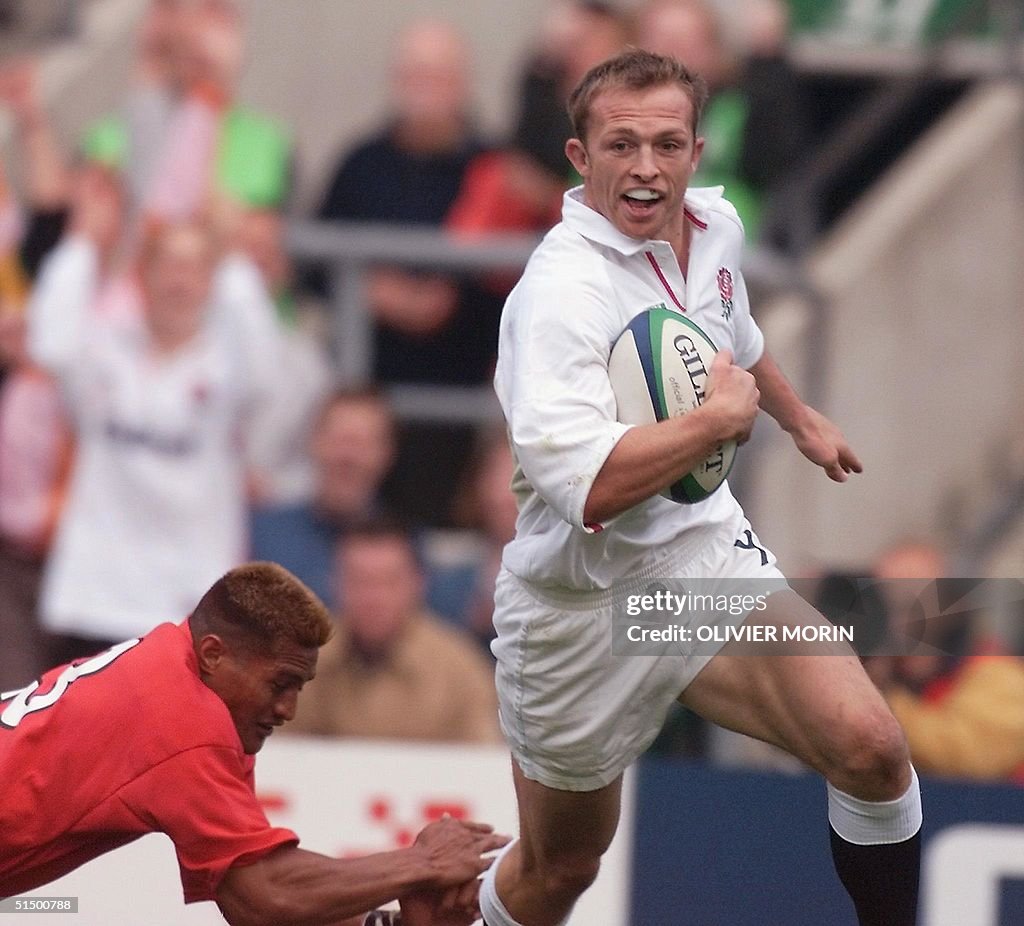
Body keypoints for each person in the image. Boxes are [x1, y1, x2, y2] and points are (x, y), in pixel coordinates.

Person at [479, 51, 921, 926]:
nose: (646, 167)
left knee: (871, 749)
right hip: (578, 608)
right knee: (559, 870)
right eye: (622, 145)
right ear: (580, 157)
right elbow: (593, 491)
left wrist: (798, 419)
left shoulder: (714, 228)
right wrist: (717, 425)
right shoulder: (561, 295)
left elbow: (736, 337)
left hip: (695, 561)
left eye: (667, 144)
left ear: (697, 151)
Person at [0, 561, 508, 924]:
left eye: (298, 689)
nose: (287, 709)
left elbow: (256, 897)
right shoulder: (184, 723)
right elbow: (265, 897)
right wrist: (420, 865)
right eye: (279, 684)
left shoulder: (185, 672)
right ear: (216, 654)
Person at [27, 172, 283, 662]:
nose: (179, 280)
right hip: (92, 596)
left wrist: (234, 257)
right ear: (142, 275)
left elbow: (266, 367)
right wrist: (82, 243)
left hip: (187, 602)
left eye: (194, 266)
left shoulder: (228, 368)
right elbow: (49, 342)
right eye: (167, 264)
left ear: (212, 279)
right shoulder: (104, 352)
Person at [288, 519, 502, 745]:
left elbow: (481, 765)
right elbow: (279, 754)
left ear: (418, 583)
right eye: (359, 581)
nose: (373, 598)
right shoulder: (301, 664)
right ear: (334, 582)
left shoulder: (461, 671)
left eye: (388, 582)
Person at [250, 387, 398, 609]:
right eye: (339, 440)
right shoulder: (262, 536)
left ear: (387, 453)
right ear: (313, 442)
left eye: (363, 443)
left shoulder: (402, 550)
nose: (348, 457)